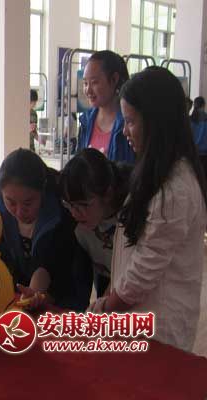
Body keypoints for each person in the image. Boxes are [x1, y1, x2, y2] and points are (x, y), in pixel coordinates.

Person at [89, 67, 207, 353]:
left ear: (156, 123)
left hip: (158, 330)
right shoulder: (157, 172)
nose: (124, 131)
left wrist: (105, 308)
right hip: (140, 322)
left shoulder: (175, 188)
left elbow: (144, 270)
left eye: (130, 121)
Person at [0, 149, 93, 311]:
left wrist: (35, 293)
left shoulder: (62, 210)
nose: (19, 212)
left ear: (42, 191)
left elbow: (49, 264)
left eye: (28, 203)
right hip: (21, 292)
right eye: (11, 202)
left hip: (66, 294)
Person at [60, 148, 132, 297]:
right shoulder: (72, 217)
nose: (74, 213)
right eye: (70, 204)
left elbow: (130, 273)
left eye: (83, 205)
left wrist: (104, 304)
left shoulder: (132, 213)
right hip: (105, 279)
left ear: (108, 194)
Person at [78, 50, 134, 163]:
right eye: (85, 83)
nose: (88, 90)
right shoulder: (86, 122)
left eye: (94, 82)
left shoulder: (129, 125)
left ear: (114, 79)